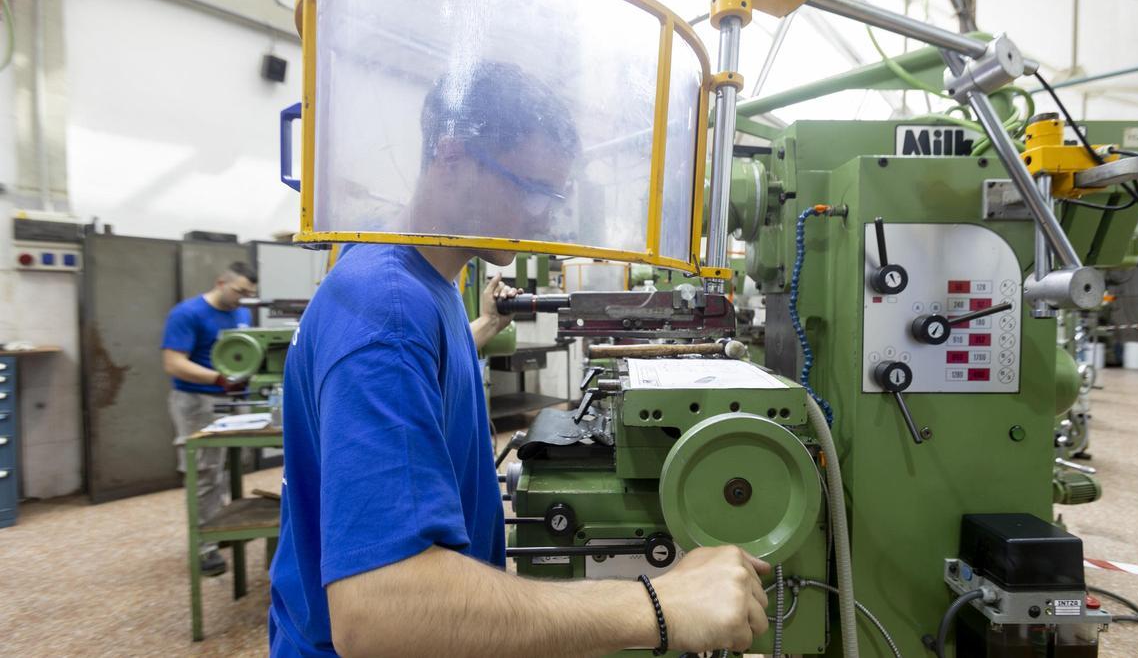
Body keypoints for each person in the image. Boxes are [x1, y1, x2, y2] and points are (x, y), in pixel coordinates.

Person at [269, 61, 769, 657]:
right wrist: (662, 605)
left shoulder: (408, 267)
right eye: (531, 189)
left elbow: (417, 375)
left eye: (553, 195)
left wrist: (484, 325)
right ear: (451, 155)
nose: (544, 217)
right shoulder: (391, 311)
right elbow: (382, 613)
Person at [161, 262, 257, 577]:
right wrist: (218, 379)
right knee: (204, 471)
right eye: (240, 291)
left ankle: (220, 526)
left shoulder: (242, 314)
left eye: (249, 294)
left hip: (232, 398)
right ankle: (205, 547)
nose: (243, 298)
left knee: (227, 467)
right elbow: (173, 363)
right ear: (220, 282)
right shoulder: (187, 314)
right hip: (196, 400)